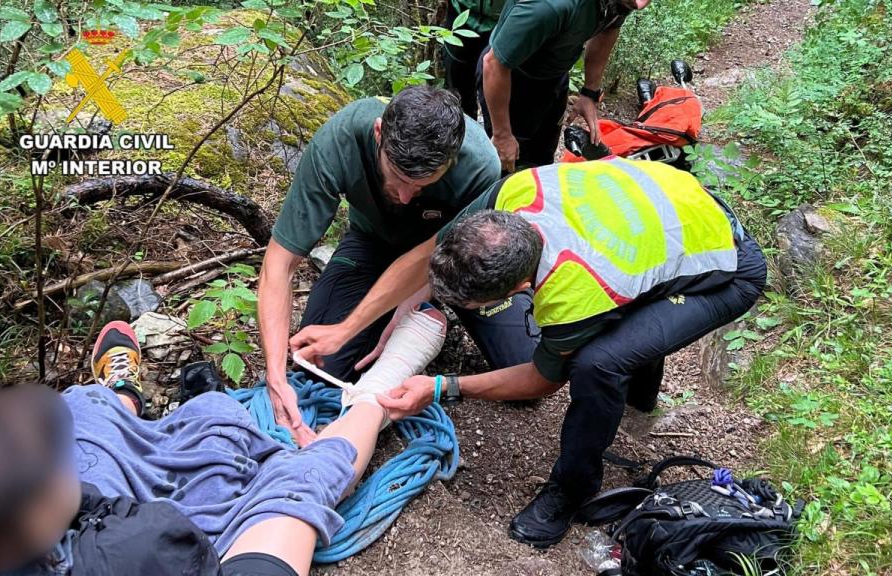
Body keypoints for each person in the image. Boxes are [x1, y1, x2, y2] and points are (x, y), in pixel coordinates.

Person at [290, 158, 768, 548]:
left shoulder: (575, 290)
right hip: (671, 211)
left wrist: (442, 387)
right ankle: (641, 393)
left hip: (726, 263)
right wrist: (352, 326)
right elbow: (432, 251)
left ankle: (572, 490)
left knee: (597, 364)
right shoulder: (513, 195)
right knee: (629, 322)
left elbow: (542, 379)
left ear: (521, 288)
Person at [0, 309, 447, 575]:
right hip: (164, 542)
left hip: (71, 532)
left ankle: (122, 393)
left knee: (83, 410)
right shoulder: (140, 554)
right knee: (300, 481)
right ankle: (377, 396)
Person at [258, 85, 537, 446]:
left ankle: (431, 316)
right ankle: (413, 323)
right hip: (375, 244)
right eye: (398, 178)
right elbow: (278, 265)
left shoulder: (479, 164)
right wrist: (275, 375)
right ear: (379, 134)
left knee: (522, 365)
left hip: (458, 262)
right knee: (320, 368)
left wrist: (412, 299)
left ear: (451, 161)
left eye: (422, 186)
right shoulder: (340, 140)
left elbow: (429, 258)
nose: (405, 197)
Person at [478, 0, 653, 172]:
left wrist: (590, 92)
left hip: (554, 76)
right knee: (510, 166)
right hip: (512, 81)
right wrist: (502, 134)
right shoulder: (550, 5)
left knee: (542, 162)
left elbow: (610, 27)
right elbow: (494, 64)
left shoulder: (626, 2)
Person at [443, 0, 507, 118]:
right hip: (460, 13)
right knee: (457, 84)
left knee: (496, 79)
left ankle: (496, 129)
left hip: (502, 20)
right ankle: (462, 126)